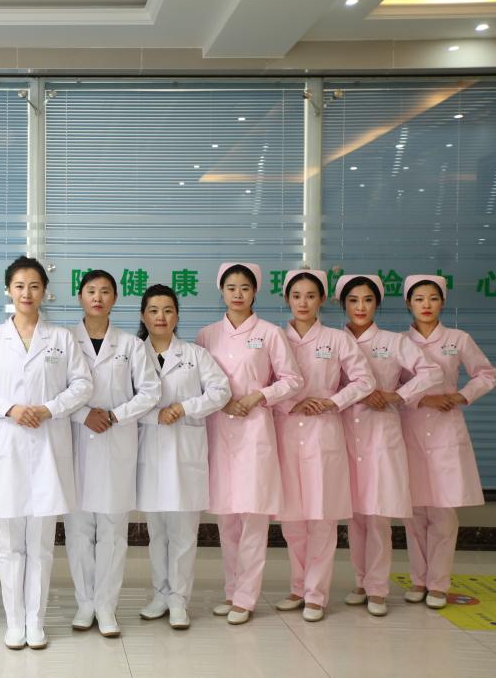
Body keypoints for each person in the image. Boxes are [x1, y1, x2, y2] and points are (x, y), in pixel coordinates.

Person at [0, 256, 93, 650]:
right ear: (8, 290)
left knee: (40, 544)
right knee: (8, 544)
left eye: (34, 286)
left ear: (44, 292)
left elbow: (82, 385)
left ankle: (35, 622)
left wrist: (49, 408)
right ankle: (13, 622)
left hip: (48, 446)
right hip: (6, 444)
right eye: (19, 286)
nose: (26, 293)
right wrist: (11, 409)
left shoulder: (61, 339)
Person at [197, 262, 303, 625]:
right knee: (227, 521)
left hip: (256, 430)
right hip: (219, 429)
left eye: (245, 287)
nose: (238, 294)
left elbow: (292, 380)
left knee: (254, 519)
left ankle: (246, 598)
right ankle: (231, 592)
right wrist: (222, 402)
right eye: (231, 288)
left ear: (255, 291)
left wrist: (259, 395)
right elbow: (198, 382)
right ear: (222, 291)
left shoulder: (270, 333)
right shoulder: (207, 335)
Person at [335, 274, 441, 617]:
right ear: (343, 304)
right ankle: (361, 581)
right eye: (353, 300)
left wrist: (397, 395)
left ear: (377, 304)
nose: (360, 307)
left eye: (367, 300)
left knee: (378, 515)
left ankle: (377, 588)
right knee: (354, 516)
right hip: (343, 434)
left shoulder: (393, 341)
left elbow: (431, 372)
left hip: (381, 434)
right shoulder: (333, 340)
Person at [273, 269, 374, 622]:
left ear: (321, 300)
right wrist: (291, 404)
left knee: (322, 518)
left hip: (324, 433)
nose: (303, 302)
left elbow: (364, 380)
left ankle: (316, 594)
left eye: (310, 295)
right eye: (296, 295)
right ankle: (298, 587)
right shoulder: (275, 337)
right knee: (292, 520)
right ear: (286, 299)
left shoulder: (337, 339)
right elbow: (264, 383)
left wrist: (332, 402)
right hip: (286, 432)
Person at [65, 270, 160, 637]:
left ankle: (106, 606)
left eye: (105, 291)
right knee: (78, 530)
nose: (98, 297)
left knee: (113, 531)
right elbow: (54, 390)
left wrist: (115, 415)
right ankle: (84, 603)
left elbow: (149, 391)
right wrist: (82, 414)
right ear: (80, 296)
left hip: (116, 439)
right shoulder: (64, 340)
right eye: (91, 290)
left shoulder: (131, 345)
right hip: (75, 440)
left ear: (115, 299)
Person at [399, 275, 496, 610]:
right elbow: (392, 386)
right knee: (414, 512)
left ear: (442, 302)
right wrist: (423, 399)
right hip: (410, 428)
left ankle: (438, 583)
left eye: (433, 298)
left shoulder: (458, 339)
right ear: (408, 304)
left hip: (446, 431)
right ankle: (418, 580)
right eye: (419, 299)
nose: (426, 305)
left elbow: (486, 374)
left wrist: (461, 395)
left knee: (443, 512)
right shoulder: (400, 342)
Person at [136, 284, 230, 630]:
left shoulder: (195, 354)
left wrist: (185, 407)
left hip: (185, 453)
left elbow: (221, 391)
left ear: (177, 315)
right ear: (143, 316)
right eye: (153, 310)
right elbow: (124, 400)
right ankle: (160, 595)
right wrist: (154, 415)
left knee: (184, 534)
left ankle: (179, 600)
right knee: (157, 532)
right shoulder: (134, 354)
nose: (161, 317)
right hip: (148, 451)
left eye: (168, 310)